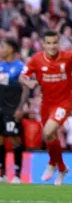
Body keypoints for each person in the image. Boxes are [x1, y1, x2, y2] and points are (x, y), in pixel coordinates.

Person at [19, 30, 72, 185]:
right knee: (50, 136)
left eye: (55, 43)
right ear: (43, 44)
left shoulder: (69, 56)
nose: (52, 46)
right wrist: (27, 82)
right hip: (46, 104)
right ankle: (62, 168)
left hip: (64, 101)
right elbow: (23, 75)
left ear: (59, 43)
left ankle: (52, 163)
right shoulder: (36, 59)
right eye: (48, 43)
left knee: (48, 131)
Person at [0, 39, 29, 183]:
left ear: (11, 49)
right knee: (0, 140)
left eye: (3, 46)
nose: (1, 49)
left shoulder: (20, 67)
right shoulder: (0, 66)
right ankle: (2, 173)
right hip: (0, 109)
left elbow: (26, 88)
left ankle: (17, 174)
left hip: (12, 109)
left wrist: (20, 108)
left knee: (15, 139)